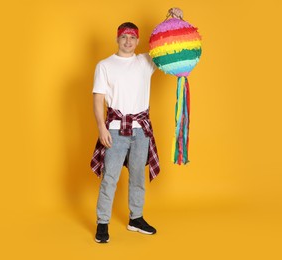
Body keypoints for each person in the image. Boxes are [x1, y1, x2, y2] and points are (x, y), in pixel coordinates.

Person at [90, 8, 183, 244]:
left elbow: (166, 44)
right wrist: (101, 127)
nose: (128, 41)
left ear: (138, 40)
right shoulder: (104, 65)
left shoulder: (146, 61)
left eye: (132, 37)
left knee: (138, 178)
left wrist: (173, 19)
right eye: (124, 37)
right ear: (117, 39)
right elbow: (98, 98)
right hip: (114, 128)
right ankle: (102, 223)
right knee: (109, 177)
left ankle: (136, 218)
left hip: (141, 129)